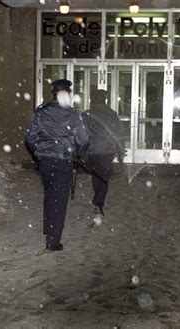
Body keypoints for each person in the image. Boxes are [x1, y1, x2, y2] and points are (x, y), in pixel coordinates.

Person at [26, 79, 89, 251]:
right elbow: (83, 139)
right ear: (67, 93)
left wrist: (38, 153)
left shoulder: (41, 112)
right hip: (63, 160)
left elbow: (30, 137)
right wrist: (78, 151)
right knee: (59, 199)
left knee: (49, 193)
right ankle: (53, 241)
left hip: (46, 160)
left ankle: (48, 228)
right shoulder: (73, 114)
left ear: (53, 93)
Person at [81, 89, 123, 217]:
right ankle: (99, 201)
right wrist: (119, 148)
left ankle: (98, 200)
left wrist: (81, 149)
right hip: (106, 149)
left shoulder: (86, 114)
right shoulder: (112, 114)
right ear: (105, 100)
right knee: (104, 175)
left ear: (94, 99)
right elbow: (118, 132)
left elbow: (81, 133)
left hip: (92, 149)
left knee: (96, 174)